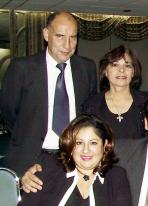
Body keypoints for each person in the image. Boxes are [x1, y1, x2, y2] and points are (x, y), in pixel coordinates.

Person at [0, 11, 97, 176]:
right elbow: (9, 113)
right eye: (60, 36)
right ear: (46, 34)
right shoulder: (22, 68)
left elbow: (89, 112)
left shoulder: (86, 69)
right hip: (30, 162)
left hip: (74, 159)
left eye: (73, 37)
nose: (67, 45)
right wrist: (29, 135)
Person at [14, 114, 132, 206]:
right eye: (79, 143)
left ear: (105, 145)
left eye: (93, 143)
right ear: (70, 146)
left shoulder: (117, 177)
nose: (86, 150)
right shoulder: (48, 169)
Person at [83, 45, 148, 139]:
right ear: (105, 71)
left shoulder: (147, 102)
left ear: (133, 72)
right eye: (115, 65)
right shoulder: (91, 106)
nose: (121, 70)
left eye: (127, 65)